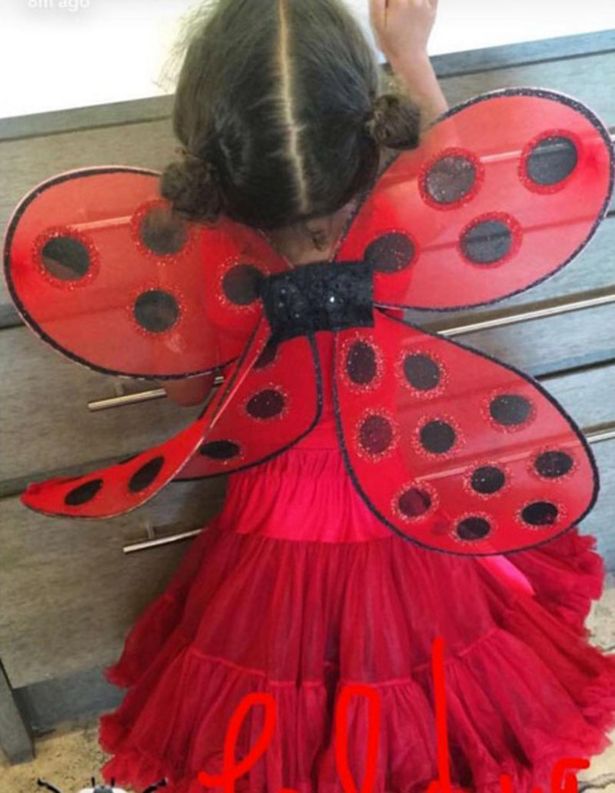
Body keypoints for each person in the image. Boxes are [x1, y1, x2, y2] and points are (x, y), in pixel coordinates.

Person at [98, 1, 615, 791]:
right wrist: (410, 55)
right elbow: (455, 173)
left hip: (277, 514)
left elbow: (184, 395)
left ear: (209, 142)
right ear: (365, 127)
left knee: (284, 687)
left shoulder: (204, 255)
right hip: (398, 488)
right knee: (426, 666)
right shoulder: (399, 211)